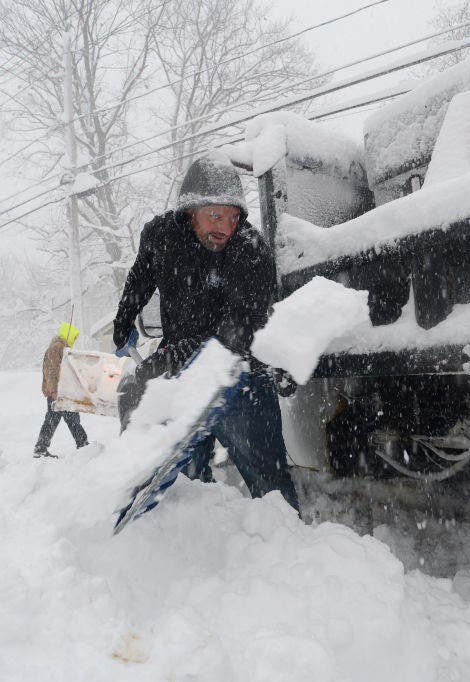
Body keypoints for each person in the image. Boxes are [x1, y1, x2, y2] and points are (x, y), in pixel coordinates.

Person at [112, 155, 300, 512]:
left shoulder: (251, 250)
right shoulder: (160, 235)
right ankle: (200, 547)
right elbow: (140, 277)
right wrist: (123, 322)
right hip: (182, 381)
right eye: (215, 215)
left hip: (239, 377)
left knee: (270, 484)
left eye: (232, 217)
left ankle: (291, 552)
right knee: (189, 488)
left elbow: (245, 323)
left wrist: (184, 352)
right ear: (189, 210)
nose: (225, 228)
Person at [34, 322, 89, 458]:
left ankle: (40, 448)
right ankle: (83, 444)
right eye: (74, 337)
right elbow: (51, 370)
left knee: (53, 420)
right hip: (59, 392)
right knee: (72, 418)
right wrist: (54, 391)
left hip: (60, 391)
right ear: (67, 334)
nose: (75, 340)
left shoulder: (61, 348)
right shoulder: (57, 347)